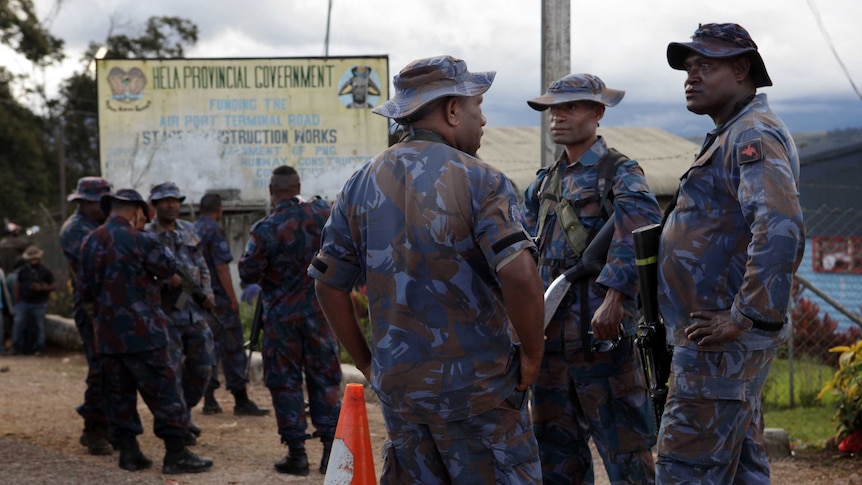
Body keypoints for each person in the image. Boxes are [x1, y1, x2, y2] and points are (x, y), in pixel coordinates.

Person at [309, 55, 546, 484]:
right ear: (453, 111)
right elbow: (519, 275)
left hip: (402, 395)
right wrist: (532, 354)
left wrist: (369, 364)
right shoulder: (482, 181)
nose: (485, 119)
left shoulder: (360, 183)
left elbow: (327, 285)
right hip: (480, 394)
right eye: (478, 107)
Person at [657, 23, 805, 484]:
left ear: (742, 68)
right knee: (740, 468)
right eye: (688, 67)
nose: (690, 75)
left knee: (686, 470)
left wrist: (744, 315)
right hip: (717, 344)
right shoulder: (733, 132)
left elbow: (780, 228)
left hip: (720, 346)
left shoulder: (751, 134)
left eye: (705, 65)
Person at [522, 73, 661, 484]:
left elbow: (640, 227)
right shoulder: (545, 182)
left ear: (598, 113)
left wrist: (616, 295)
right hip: (549, 343)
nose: (558, 118)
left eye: (571, 107)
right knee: (556, 457)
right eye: (554, 109)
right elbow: (527, 251)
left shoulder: (618, 171)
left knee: (627, 454)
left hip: (602, 340)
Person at [77, 188, 212, 474]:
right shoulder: (142, 240)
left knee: (119, 393)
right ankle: (176, 454)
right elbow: (168, 270)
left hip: (108, 336)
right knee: (166, 391)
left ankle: (129, 453)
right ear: (138, 211)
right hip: (144, 333)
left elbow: (85, 292)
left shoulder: (89, 242)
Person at [238, 166, 342, 476]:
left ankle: (297, 455)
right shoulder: (324, 213)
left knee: (285, 383)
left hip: (282, 320)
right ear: (298, 186)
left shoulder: (265, 228)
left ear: (271, 192)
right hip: (321, 314)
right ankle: (329, 453)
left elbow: (248, 274)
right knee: (325, 380)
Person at [146, 182, 216, 444]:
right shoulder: (146, 235)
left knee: (203, 367)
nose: (171, 204)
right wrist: (165, 281)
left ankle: (183, 413)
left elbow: (202, 266)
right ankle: (176, 423)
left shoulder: (189, 230)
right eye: (165, 200)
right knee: (170, 372)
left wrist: (207, 292)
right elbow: (142, 274)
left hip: (194, 312)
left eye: (175, 200)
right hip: (164, 315)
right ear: (154, 205)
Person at [194, 192, 269, 417]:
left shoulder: (192, 229)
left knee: (208, 349)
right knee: (233, 349)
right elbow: (222, 267)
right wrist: (232, 298)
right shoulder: (214, 230)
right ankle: (241, 400)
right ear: (218, 210)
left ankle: (209, 399)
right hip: (219, 301)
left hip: (200, 301)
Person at [59, 176, 114, 455]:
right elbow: (102, 261)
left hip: (112, 305)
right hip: (91, 307)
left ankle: (111, 423)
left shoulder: (100, 225)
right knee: (101, 367)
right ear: (85, 202)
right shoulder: (75, 229)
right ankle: (93, 428)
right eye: (100, 202)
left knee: (116, 368)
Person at [12, 244, 55, 355]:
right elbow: (18, 285)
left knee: (39, 326)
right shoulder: (23, 271)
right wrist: (17, 301)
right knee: (18, 324)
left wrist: (42, 288)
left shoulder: (45, 271)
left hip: (39, 303)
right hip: (23, 302)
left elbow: (53, 286)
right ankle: (17, 348)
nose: (33, 260)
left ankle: (40, 348)